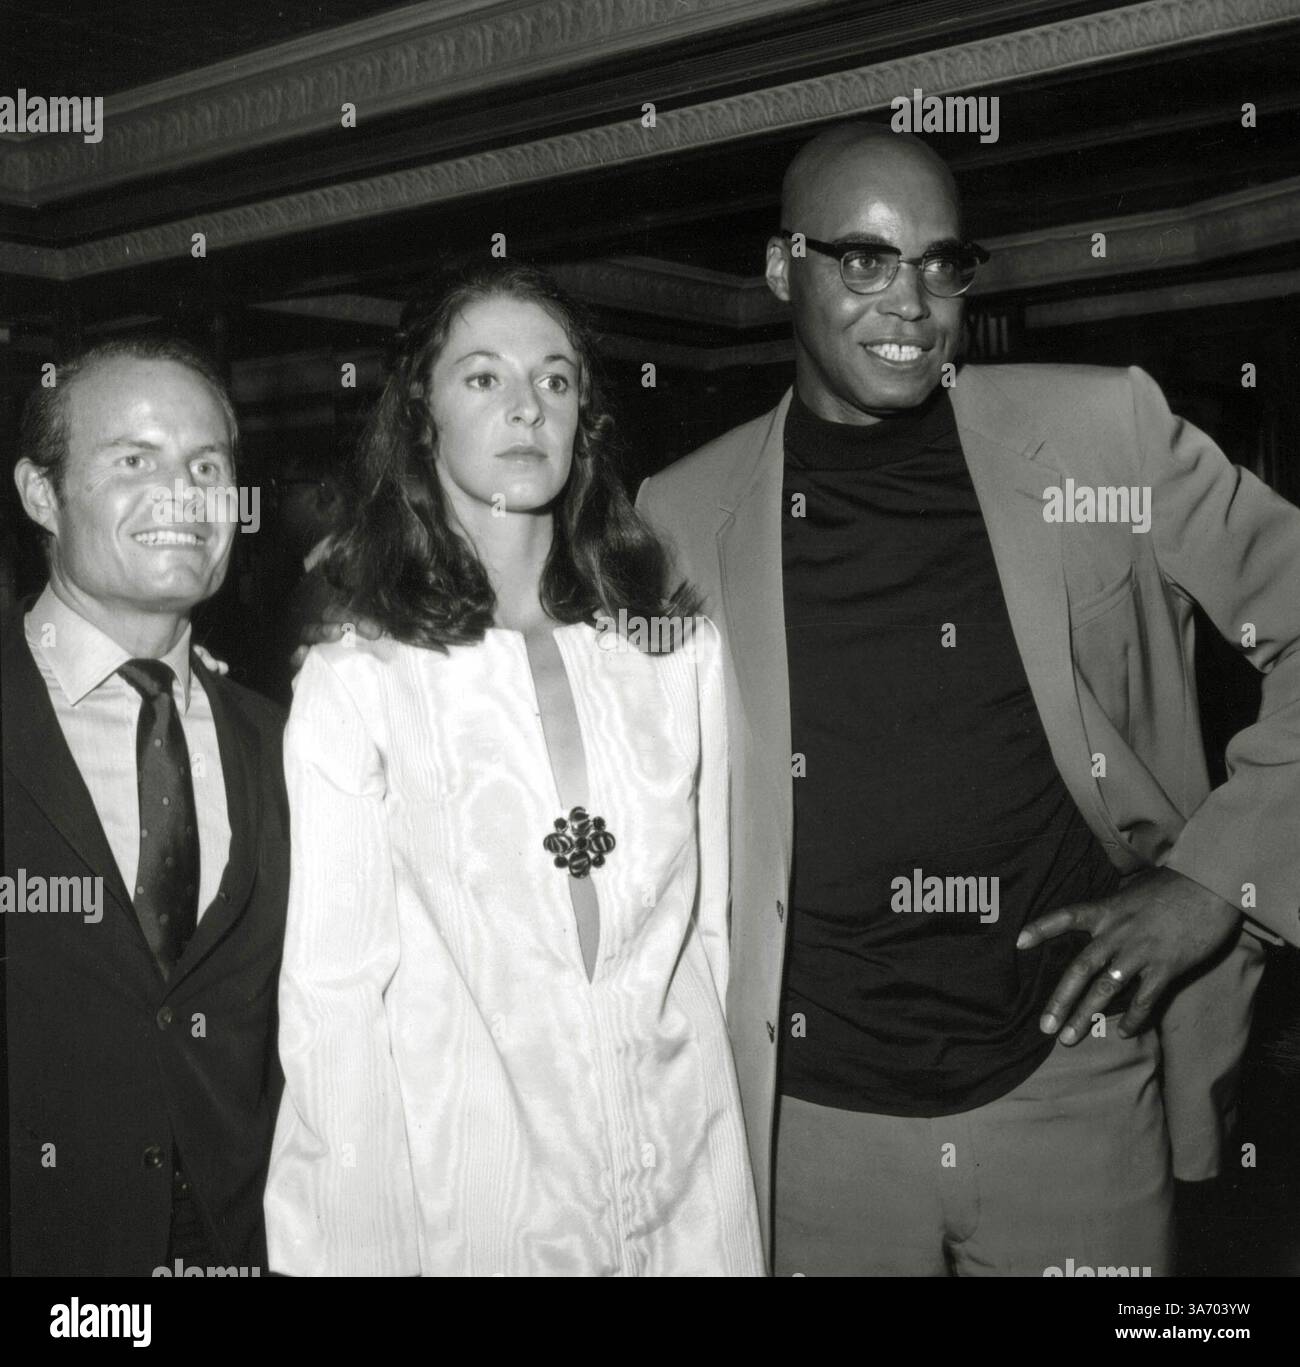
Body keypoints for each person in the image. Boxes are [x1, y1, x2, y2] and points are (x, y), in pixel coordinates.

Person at [635, 122, 1299, 1276]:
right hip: (806, 1119)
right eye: (864, 260)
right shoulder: (680, 515)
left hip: (1073, 1078)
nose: (911, 303)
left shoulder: (1106, 433)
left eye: (942, 264)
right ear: (780, 269)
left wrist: (1213, 877)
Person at [264, 258, 765, 1276]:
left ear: (585, 416)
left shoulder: (672, 652)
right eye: (483, 377)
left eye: (557, 378)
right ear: (422, 416)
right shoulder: (360, 676)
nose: (526, 406)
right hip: (476, 1207)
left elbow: (708, 941)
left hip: (686, 1188)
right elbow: (334, 1002)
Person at [4, 337, 289, 1276]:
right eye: (135, 460)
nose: (183, 496)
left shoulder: (289, 741)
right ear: (40, 494)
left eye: (206, 466)